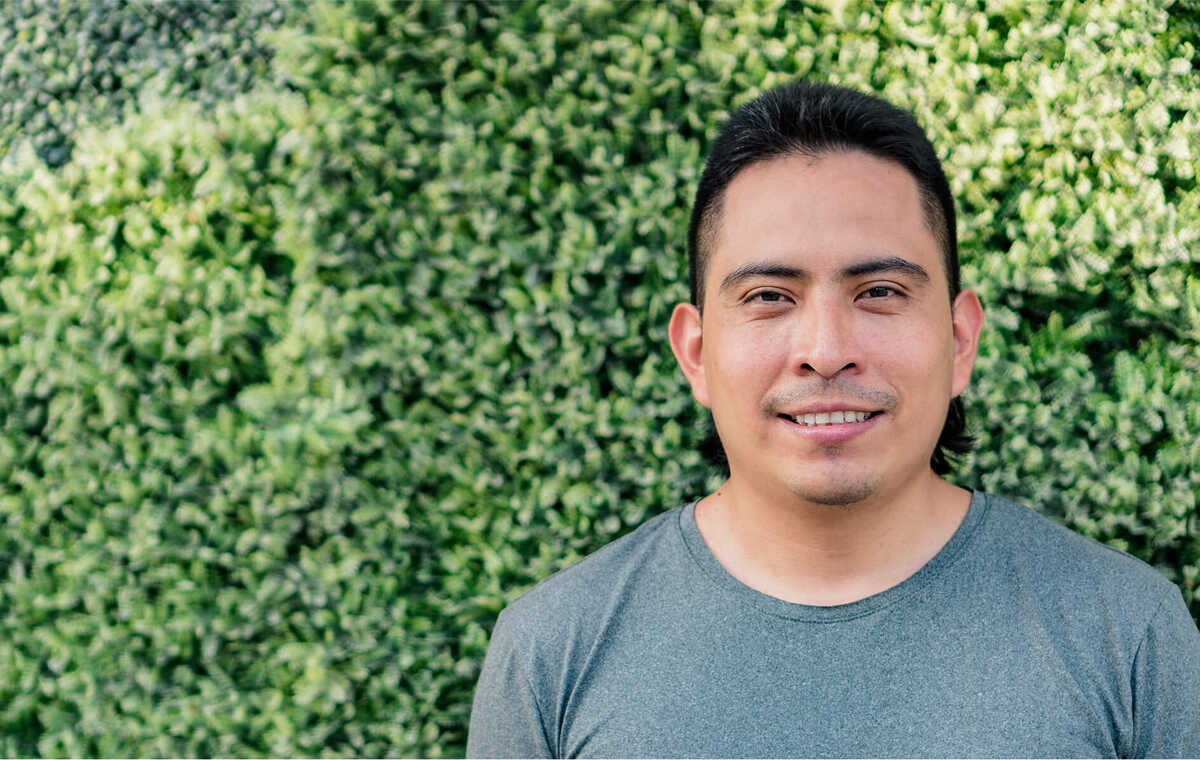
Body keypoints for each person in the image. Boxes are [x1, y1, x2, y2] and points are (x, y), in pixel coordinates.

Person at [467, 80, 1200, 758]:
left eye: (879, 291)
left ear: (959, 340)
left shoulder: (1127, 634)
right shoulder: (551, 651)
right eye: (768, 297)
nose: (824, 352)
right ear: (696, 353)